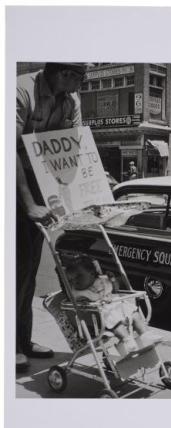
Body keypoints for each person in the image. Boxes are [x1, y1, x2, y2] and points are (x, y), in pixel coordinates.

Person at [16, 62, 86, 371]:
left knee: (28, 268)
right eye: (79, 78)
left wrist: (87, 191)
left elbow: (71, 149)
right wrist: (29, 203)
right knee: (14, 269)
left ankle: (21, 340)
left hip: (39, 180)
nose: (80, 86)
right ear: (64, 73)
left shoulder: (72, 101)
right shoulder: (20, 91)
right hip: (13, 180)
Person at [65, 257, 160, 355]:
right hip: (102, 316)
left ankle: (145, 334)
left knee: (134, 314)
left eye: (78, 277)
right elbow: (80, 303)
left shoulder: (102, 280)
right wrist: (85, 303)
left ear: (92, 274)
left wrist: (113, 280)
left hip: (118, 306)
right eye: (71, 280)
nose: (74, 281)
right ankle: (127, 340)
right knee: (115, 322)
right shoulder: (79, 292)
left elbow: (114, 289)